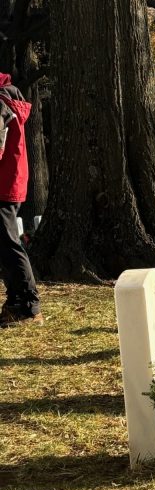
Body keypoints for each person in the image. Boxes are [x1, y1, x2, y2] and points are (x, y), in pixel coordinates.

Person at [0, 74, 42, 326]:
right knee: (3, 245)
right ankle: (16, 302)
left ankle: (29, 305)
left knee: (7, 243)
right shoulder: (7, 97)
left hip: (4, 182)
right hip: (9, 179)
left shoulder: (1, 102)